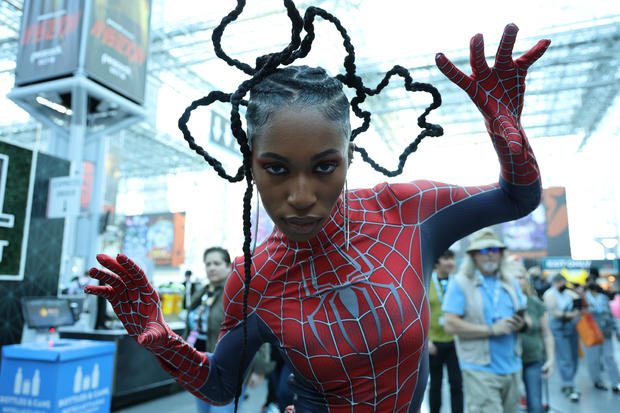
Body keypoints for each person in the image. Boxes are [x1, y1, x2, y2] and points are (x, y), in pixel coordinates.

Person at [84, 1, 550, 411]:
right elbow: (223, 386)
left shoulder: (407, 211)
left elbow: (518, 197)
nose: (302, 196)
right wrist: (162, 340)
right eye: (277, 169)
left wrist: (504, 127)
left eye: (324, 167)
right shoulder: (253, 280)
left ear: (349, 156)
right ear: (251, 164)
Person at [441, 229, 528, 413]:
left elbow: (525, 316)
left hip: (512, 366)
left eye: (494, 250)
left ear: (501, 255)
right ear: (473, 256)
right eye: (483, 250)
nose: (489, 254)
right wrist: (491, 329)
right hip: (479, 368)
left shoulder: (510, 282)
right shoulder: (461, 282)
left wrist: (522, 323)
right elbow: (450, 324)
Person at [185, 247, 274, 413]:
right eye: (208, 264)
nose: (212, 268)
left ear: (228, 266)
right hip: (199, 366)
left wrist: (259, 369)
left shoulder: (239, 293)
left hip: (229, 368)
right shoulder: (201, 293)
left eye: (217, 263)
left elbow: (257, 331)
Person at [512, 258, 554, 413]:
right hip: (509, 361)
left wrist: (550, 359)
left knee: (535, 405)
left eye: (521, 277)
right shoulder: (502, 302)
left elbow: (546, 333)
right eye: (513, 277)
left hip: (533, 359)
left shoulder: (535, 303)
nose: (518, 281)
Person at [427, 249, 463, 413]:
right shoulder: (427, 281)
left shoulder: (458, 282)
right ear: (437, 261)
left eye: (452, 259)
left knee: (456, 384)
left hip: (455, 342)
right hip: (434, 343)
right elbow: (419, 312)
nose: (450, 262)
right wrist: (426, 341)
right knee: (435, 384)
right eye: (446, 258)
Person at [542, 273, 581, 401]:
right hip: (558, 328)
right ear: (555, 282)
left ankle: (570, 381)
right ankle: (568, 385)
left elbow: (578, 305)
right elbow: (555, 313)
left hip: (571, 327)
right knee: (565, 357)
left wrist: (575, 296)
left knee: (574, 356)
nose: (563, 285)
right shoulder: (550, 294)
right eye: (561, 282)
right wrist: (571, 314)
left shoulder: (568, 293)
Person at [583, 275, 620, 393]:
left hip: (606, 332)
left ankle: (616, 382)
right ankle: (597, 381)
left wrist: (616, 329)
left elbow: (610, 315)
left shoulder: (603, 298)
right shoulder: (583, 299)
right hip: (591, 333)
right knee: (593, 358)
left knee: (609, 357)